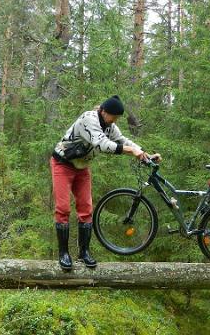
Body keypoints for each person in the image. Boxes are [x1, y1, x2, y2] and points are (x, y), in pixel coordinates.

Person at [50, 95, 161, 270]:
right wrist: (131, 151)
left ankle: (84, 252)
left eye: (117, 118)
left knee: (86, 209)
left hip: (82, 166)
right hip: (62, 164)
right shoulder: (89, 119)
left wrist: (143, 153)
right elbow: (101, 144)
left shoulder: (109, 125)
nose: (115, 120)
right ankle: (63, 254)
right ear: (103, 111)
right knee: (63, 208)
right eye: (114, 117)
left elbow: (122, 140)